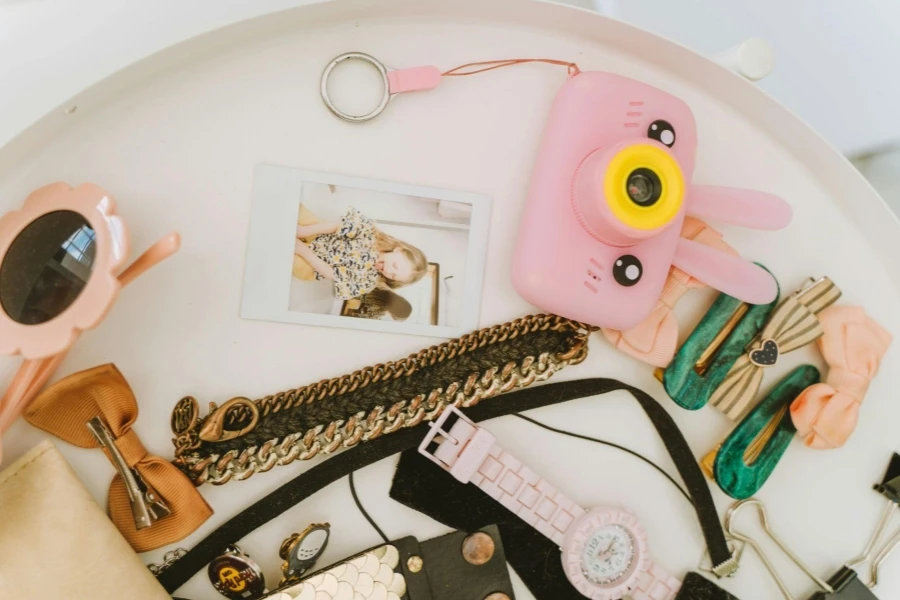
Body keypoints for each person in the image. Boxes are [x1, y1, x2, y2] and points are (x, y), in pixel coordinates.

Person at [294, 206, 427, 300]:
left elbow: (332, 274)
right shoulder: (371, 235)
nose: (388, 271)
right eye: (395, 265)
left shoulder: (368, 281)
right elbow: (335, 227)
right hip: (319, 236)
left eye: (393, 275)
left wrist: (304, 251)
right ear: (399, 249)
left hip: (312, 266)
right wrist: (305, 231)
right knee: (298, 212)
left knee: (288, 257)